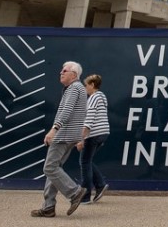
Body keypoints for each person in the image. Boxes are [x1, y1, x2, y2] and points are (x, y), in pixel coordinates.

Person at [32, 61, 88, 218]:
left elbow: (67, 111)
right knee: (55, 169)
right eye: (61, 70)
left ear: (74, 75)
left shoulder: (74, 88)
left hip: (63, 135)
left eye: (65, 70)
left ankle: (75, 192)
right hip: (71, 135)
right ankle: (48, 207)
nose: (61, 73)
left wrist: (53, 130)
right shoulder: (79, 89)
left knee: (49, 168)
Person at [76, 73, 110, 204]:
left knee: (84, 162)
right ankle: (100, 184)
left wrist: (81, 139)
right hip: (103, 133)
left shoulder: (94, 98)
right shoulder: (102, 97)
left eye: (86, 85)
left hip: (94, 134)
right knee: (88, 161)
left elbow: (89, 120)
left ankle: (85, 196)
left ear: (92, 85)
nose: (85, 88)